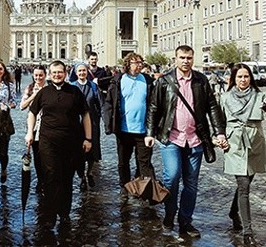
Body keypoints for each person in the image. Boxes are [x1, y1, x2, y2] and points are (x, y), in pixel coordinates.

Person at [144, 45, 227, 239]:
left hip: (195, 139)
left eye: (189, 57)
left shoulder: (201, 80)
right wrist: (149, 132)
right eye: (182, 57)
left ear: (193, 58)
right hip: (170, 138)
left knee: (191, 183)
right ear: (175, 59)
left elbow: (212, 107)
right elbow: (154, 108)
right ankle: (169, 213)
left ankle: (185, 221)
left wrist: (220, 132)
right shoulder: (164, 81)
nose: (185, 61)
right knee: (172, 177)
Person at [25, 60, 92, 227]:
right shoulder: (44, 92)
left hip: (71, 141)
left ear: (65, 73)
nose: (57, 75)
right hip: (48, 141)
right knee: (51, 176)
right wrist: (29, 132)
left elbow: (85, 115)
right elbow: (32, 113)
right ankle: (51, 212)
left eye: (60, 72)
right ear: (50, 74)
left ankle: (64, 212)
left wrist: (88, 138)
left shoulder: (75, 92)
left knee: (66, 178)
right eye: (54, 72)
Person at [220, 63, 266, 246]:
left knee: (247, 183)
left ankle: (234, 212)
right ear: (233, 78)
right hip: (234, 145)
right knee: (243, 186)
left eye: (246, 76)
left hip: (255, 144)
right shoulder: (224, 98)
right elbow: (219, 121)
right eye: (240, 77)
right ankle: (248, 231)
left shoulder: (259, 96)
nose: (243, 80)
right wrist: (218, 137)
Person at [104, 53, 155, 195]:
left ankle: (143, 187)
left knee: (144, 162)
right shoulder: (118, 80)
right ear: (128, 64)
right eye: (135, 62)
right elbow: (109, 103)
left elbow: (153, 104)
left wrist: (153, 128)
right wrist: (109, 125)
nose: (139, 65)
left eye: (141, 62)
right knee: (123, 161)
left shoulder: (148, 80)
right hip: (123, 129)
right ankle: (125, 186)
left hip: (143, 130)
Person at [71, 62, 102, 190]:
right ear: (76, 73)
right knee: (79, 152)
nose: (82, 73)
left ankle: (89, 173)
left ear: (87, 71)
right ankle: (81, 176)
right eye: (80, 71)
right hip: (76, 124)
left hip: (93, 122)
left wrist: (99, 117)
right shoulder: (72, 86)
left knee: (92, 151)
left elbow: (100, 103)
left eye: (84, 71)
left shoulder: (93, 86)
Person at [19, 65, 48, 194]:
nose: (38, 78)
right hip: (34, 126)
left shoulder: (49, 88)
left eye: (40, 75)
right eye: (36, 75)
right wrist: (34, 96)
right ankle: (41, 180)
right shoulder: (30, 88)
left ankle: (47, 179)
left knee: (47, 154)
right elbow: (22, 106)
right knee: (37, 155)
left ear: (45, 75)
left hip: (48, 126)